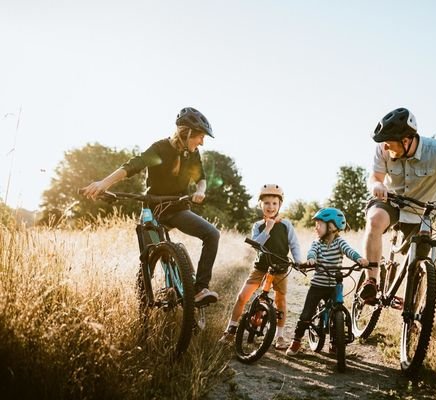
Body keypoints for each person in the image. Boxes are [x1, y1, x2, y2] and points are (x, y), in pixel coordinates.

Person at [81, 107, 220, 304]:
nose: (202, 142)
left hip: (177, 209)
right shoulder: (160, 149)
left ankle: (199, 289)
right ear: (186, 132)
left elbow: (201, 178)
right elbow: (132, 166)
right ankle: (144, 304)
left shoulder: (193, 154)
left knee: (212, 234)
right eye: (199, 137)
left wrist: (200, 190)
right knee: (148, 259)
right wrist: (104, 183)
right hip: (153, 210)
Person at [358, 107, 436, 303]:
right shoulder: (383, 149)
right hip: (390, 201)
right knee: (374, 220)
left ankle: (413, 313)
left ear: (406, 141)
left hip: (421, 212)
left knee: (419, 263)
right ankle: (371, 281)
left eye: (390, 144)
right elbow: (375, 176)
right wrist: (377, 184)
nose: (385, 148)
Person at [219, 184, 303, 350]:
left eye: (274, 203)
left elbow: (294, 244)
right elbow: (257, 245)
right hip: (261, 267)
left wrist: (298, 260)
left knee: (280, 301)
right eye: (266, 203)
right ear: (260, 205)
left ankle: (279, 336)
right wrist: (268, 228)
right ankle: (231, 329)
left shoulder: (286, 225)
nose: (270, 206)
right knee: (243, 296)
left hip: (280, 267)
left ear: (279, 205)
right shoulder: (257, 226)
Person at [286, 207, 369, 356]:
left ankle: (335, 343)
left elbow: (349, 251)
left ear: (331, 226)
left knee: (338, 313)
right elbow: (312, 252)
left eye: (319, 224)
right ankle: (296, 340)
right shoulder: (317, 243)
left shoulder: (339, 242)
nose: (316, 227)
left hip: (334, 286)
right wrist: (311, 259)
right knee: (306, 314)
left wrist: (359, 259)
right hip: (317, 285)